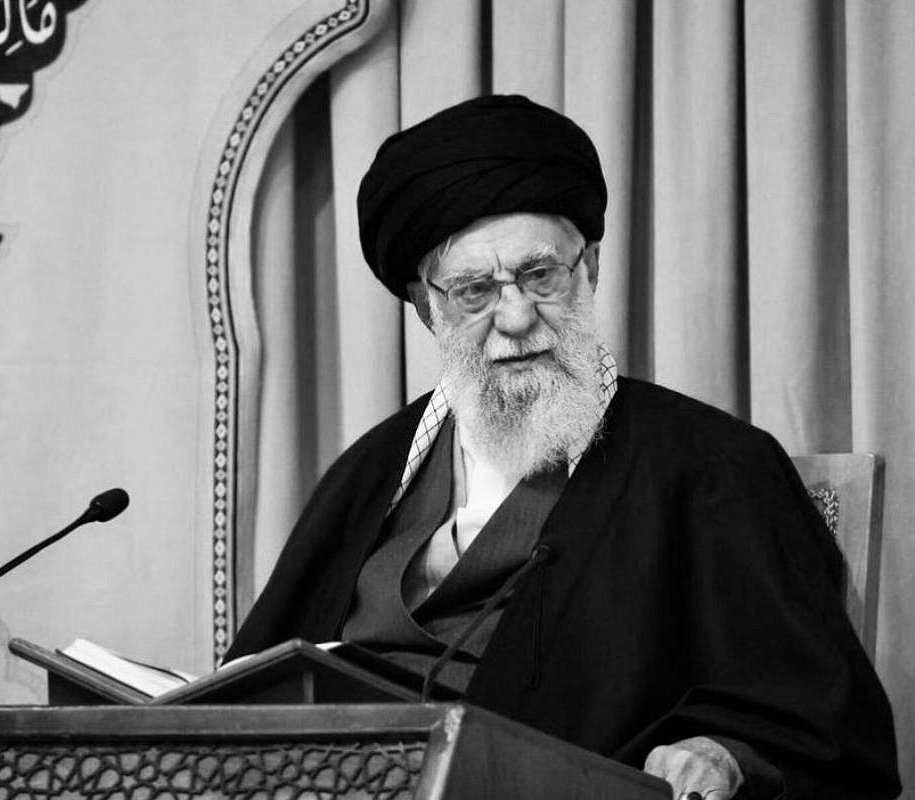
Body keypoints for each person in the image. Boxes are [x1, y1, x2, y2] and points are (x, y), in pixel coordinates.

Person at [225, 95, 900, 799]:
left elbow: (819, 726)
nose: (517, 317)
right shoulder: (370, 471)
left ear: (590, 267)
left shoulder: (714, 467)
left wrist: (721, 752)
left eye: (541, 275)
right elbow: (251, 692)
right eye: (474, 291)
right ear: (427, 306)